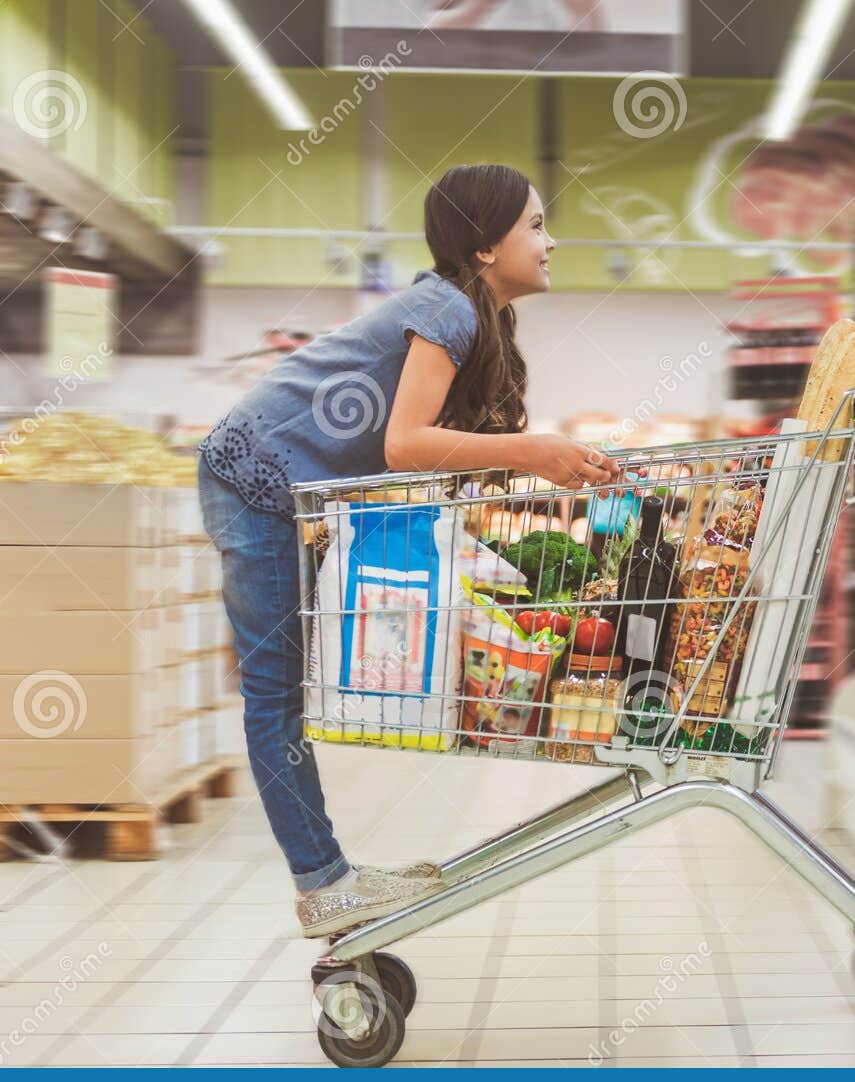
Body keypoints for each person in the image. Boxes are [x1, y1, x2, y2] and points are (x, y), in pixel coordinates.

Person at [198, 163, 623, 939]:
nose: (550, 239)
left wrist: (539, 461)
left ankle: (333, 873)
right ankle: (324, 884)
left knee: (282, 693)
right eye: (534, 224)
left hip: (283, 483)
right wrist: (533, 453)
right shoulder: (447, 309)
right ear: (486, 246)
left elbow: (427, 446)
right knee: (274, 695)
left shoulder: (473, 316)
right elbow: (404, 445)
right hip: (252, 477)